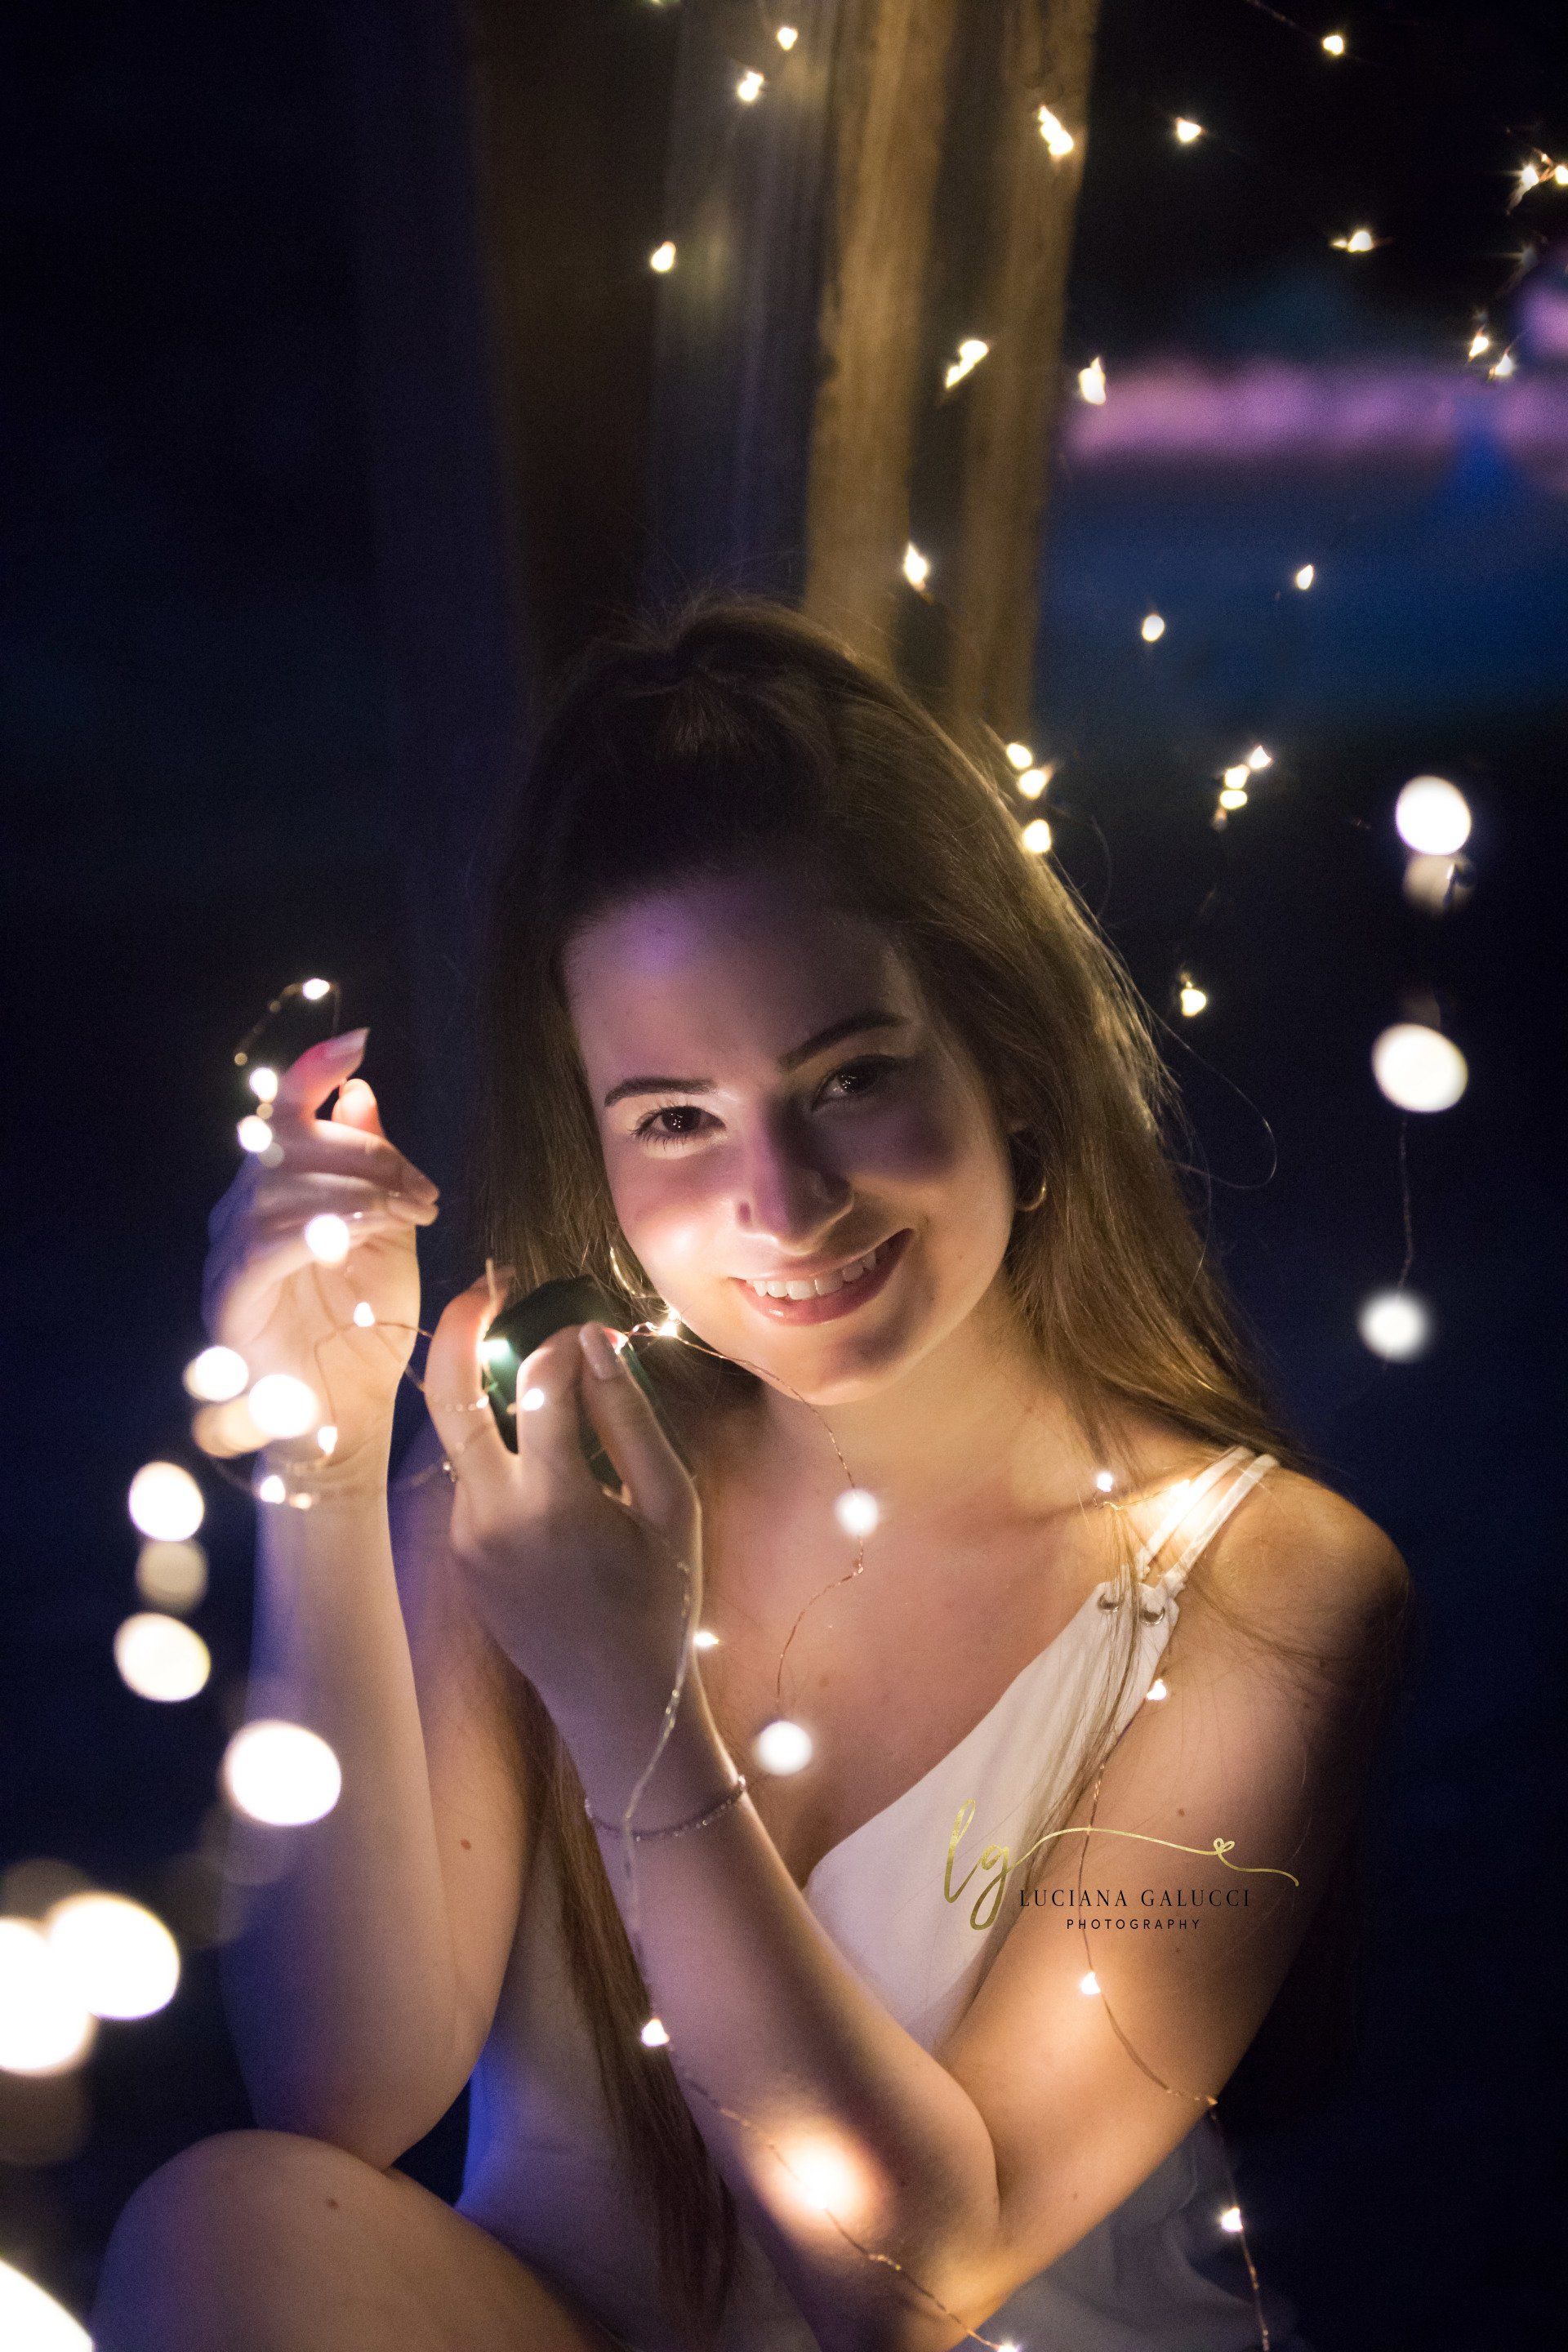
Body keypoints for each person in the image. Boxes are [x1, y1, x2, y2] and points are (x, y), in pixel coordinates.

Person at [91, 594, 1410, 2352]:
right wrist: (324, 1466)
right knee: (228, 2222)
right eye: (676, 1119)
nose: (783, 1205)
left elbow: (910, 2277)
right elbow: (344, 2095)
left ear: (1011, 1062)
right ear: (599, 1150)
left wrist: (630, 1702)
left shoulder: (1268, 1589)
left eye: (850, 1079)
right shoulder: (543, 1490)